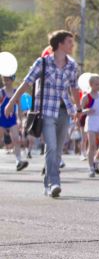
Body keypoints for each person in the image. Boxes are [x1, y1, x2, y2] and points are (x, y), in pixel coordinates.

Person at [4, 30, 79, 198]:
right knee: (51, 146)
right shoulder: (42, 63)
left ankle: (48, 182)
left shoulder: (72, 65)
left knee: (58, 149)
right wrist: (11, 102)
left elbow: (74, 88)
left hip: (64, 110)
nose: (72, 45)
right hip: (45, 110)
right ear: (59, 44)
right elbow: (26, 83)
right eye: (69, 42)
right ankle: (54, 183)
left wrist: (78, 108)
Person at [0, 76, 27, 171]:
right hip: (1, 118)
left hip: (12, 119)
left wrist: (21, 119)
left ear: (12, 80)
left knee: (16, 139)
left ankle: (18, 161)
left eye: (7, 80)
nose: (5, 82)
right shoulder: (1, 92)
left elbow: (19, 107)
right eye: (4, 80)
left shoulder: (16, 92)